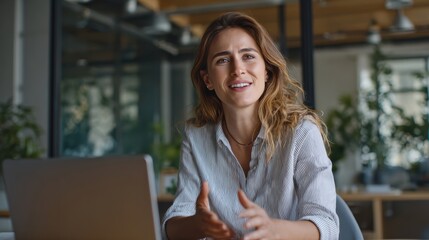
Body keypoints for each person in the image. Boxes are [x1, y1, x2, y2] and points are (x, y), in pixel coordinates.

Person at [162, 12, 339, 240]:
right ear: (208, 80)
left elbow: (327, 226)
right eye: (223, 60)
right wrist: (198, 224)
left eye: (248, 56)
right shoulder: (196, 137)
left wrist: (274, 229)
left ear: (266, 70)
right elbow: (172, 228)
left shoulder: (301, 132)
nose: (237, 69)